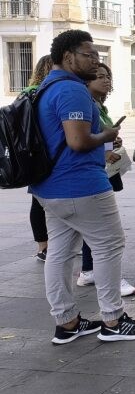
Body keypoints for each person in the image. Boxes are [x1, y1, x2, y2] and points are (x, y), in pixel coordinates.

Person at [31, 29, 135, 344]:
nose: (96, 60)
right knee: (109, 245)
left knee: (60, 252)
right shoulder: (72, 90)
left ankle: (67, 322)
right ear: (69, 56)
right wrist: (108, 134)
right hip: (80, 184)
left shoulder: (46, 86)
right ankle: (114, 320)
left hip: (50, 187)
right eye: (90, 54)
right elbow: (78, 140)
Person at [75, 63, 135, 298]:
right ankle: (111, 290)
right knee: (107, 237)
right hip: (88, 175)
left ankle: (89, 271)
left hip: (100, 171)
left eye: (107, 76)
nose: (106, 80)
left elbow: (99, 135)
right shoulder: (83, 104)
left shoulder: (99, 105)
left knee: (89, 232)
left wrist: (111, 142)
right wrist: (103, 148)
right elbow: (78, 141)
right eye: (99, 76)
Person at [25, 54, 53, 262]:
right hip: (45, 152)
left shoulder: (27, 93)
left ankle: (44, 247)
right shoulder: (43, 93)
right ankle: (44, 247)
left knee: (38, 200)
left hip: (32, 154)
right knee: (40, 202)